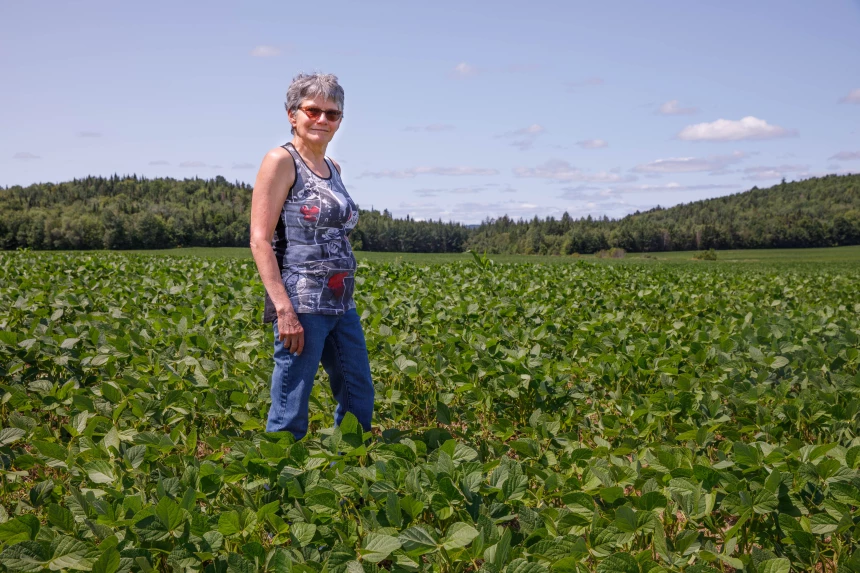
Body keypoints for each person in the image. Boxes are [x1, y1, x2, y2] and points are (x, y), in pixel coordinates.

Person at [249, 72, 374, 440]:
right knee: (291, 406)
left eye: (332, 114)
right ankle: (280, 487)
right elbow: (260, 239)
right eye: (313, 110)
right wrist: (283, 310)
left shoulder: (334, 168)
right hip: (301, 303)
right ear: (293, 114)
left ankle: (349, 477)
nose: (322, 119)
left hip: (340, 303)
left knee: (358, 396)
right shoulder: (281, 160)